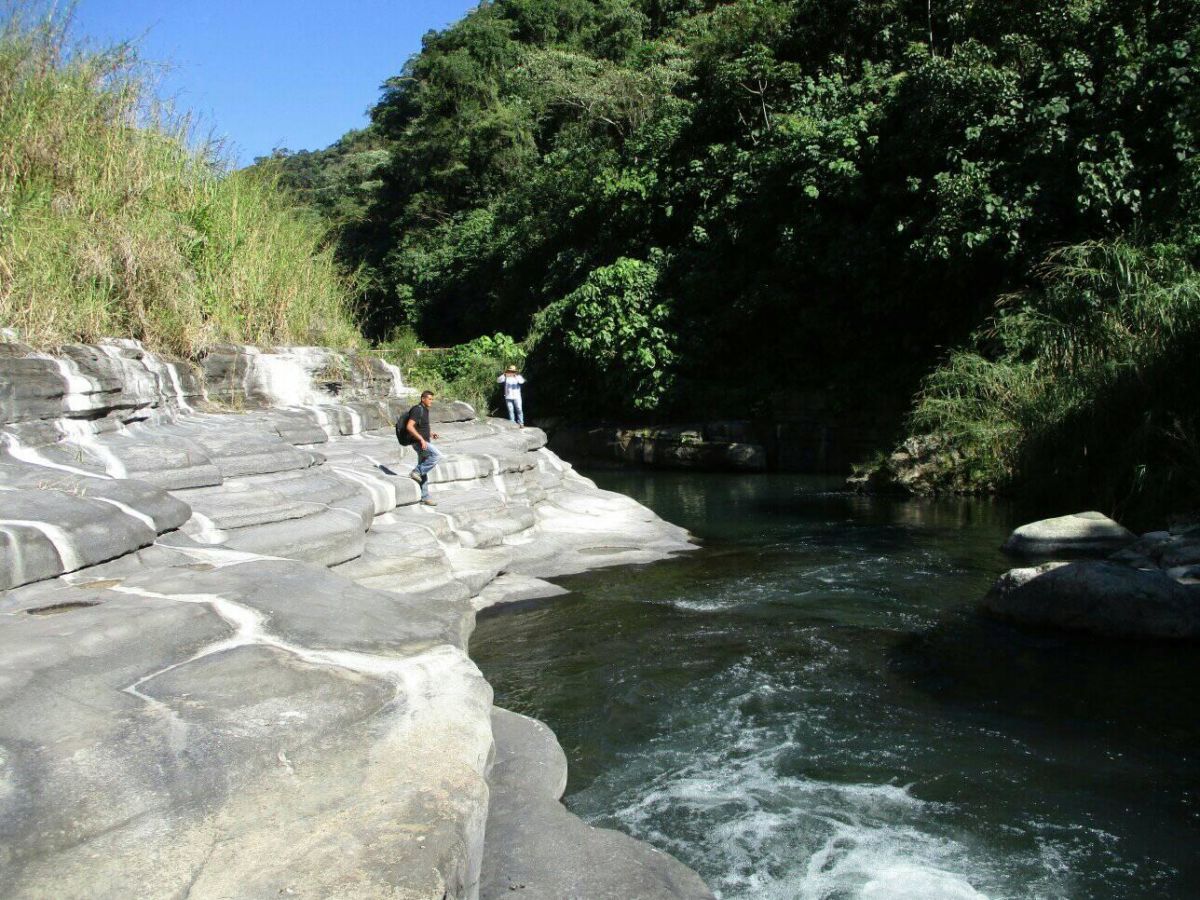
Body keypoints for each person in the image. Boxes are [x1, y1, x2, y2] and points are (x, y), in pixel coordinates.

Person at [403, 390, 441, 506]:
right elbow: (409, 426)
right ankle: (416, 471)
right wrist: (420, 439)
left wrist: (430, 433)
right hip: (419, 442)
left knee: (423, 473)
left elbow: (420, 427)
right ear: (422, 398)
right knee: (436, 455)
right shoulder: (417, 409)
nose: (431, 401)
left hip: (423, 441)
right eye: (429, 399)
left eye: (432, 399)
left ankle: (425, 497)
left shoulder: (425, 410)